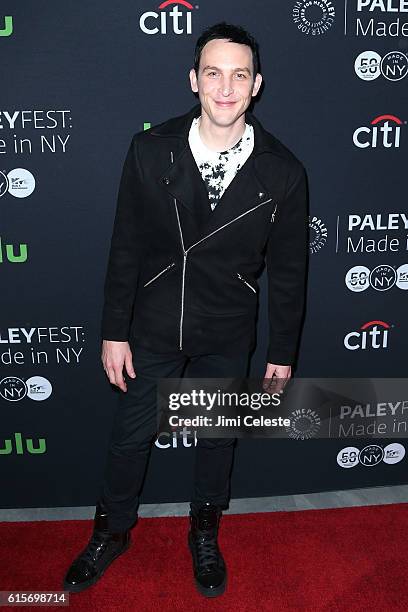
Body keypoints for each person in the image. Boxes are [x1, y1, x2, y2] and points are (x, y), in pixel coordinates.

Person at [63, 22, 309, 598]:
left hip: (228, 330)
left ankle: (204, 530)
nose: (226, 88)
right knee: (129, 438)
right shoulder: (151, 149)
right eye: (215, 73)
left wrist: (282, 351)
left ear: (257, 86)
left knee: (216, 439)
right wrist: (113, 330)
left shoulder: (284, 171)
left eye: (239, 75)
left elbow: (291, 273)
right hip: (151, 325)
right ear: (194, 80)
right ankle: (112, 531)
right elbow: (125, 244)